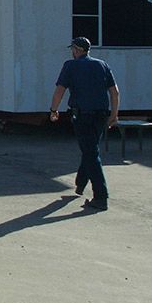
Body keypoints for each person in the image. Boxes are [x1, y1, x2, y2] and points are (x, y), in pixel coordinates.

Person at [49, 37, 120, 211]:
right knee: (90, 149)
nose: (71, 52)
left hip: (82, 116)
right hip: (101, 115)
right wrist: (114, 114)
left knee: (91, 152)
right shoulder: (102, 65)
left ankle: (101, 197)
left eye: (72, 49)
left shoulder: (70, 66)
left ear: (77, 50)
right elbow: (114, 91)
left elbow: (60, 89)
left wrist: (53, 110)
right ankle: (80, 184)